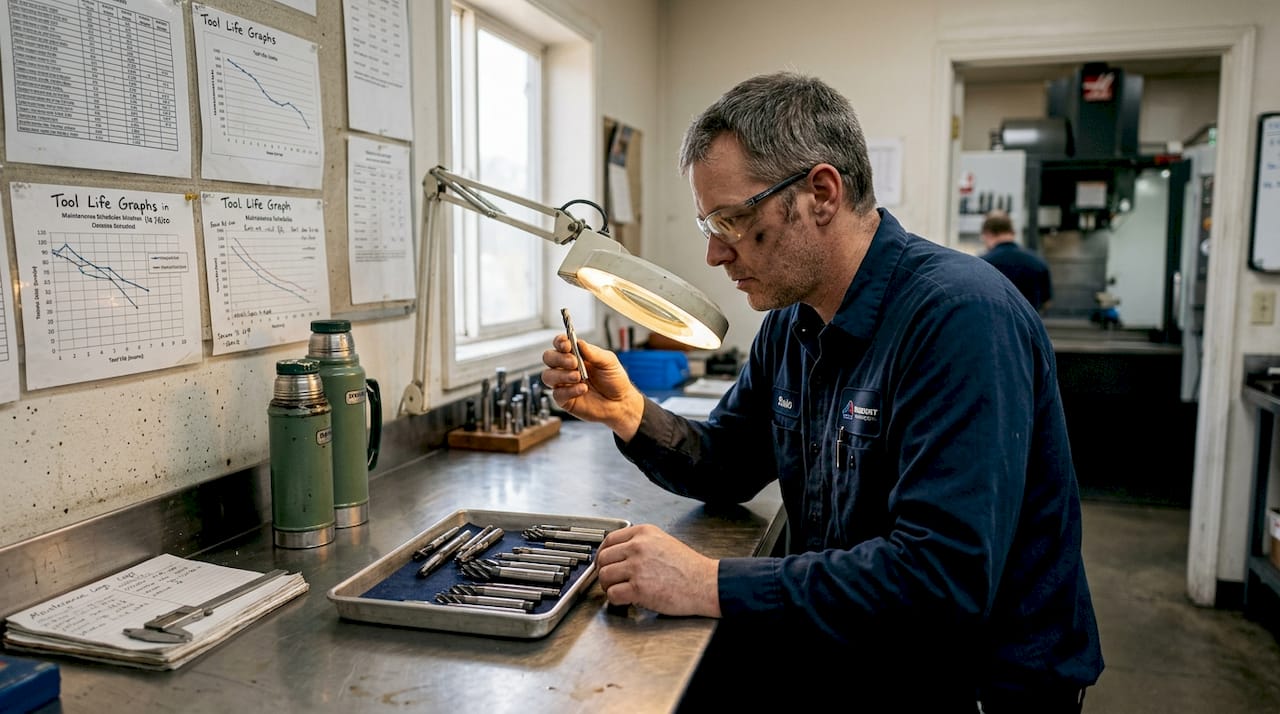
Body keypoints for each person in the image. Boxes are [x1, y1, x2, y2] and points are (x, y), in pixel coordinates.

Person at [542, 71, 1102, 711]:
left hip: (979, 686)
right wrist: (631, 413)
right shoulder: (793, 321)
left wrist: (707, 582)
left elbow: (939, 582)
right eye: (708, 225)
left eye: (731, 219)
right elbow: (730, 459)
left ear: (822, 193)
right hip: (861, 650)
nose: (714, 257)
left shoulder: (960, 318)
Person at [980, 209, 1053, 313]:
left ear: (988, 234)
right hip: (1029, 326)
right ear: (1012, 232)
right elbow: (1046, 302)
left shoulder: (982, 264)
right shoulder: (1038, 262)